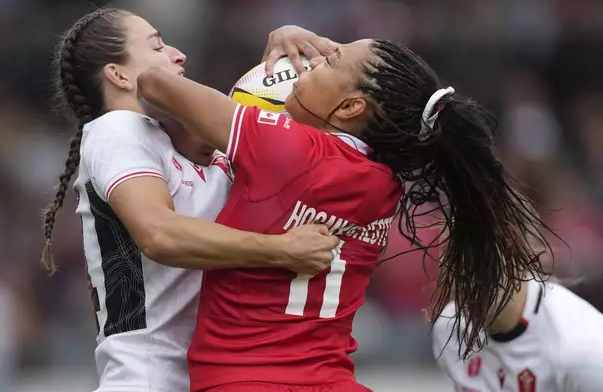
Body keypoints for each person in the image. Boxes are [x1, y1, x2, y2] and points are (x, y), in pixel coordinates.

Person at [137, 38, 555, 391]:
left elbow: (156, 84)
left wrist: (265, 83)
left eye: (329, 60)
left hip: (246, 380)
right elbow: (358, 92)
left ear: (352, 107)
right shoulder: (386, 181)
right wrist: (301, 44)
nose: (314, 59)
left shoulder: (283, 148)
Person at [41, 8, 340, 392]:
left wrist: (283, 48)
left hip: (211, 377)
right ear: (118, 75)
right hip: (148, 379)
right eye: (158, 46)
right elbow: (159, 234)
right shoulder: (116, 130)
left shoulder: (179, 141)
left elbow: (254, 114)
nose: (178, 54)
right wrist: (281, 250)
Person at [433, 278, 603, 391]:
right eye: (449, 254)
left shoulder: (581, 351)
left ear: (512, 244)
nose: (459, 277)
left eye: (471, 255)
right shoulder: (450, 331)